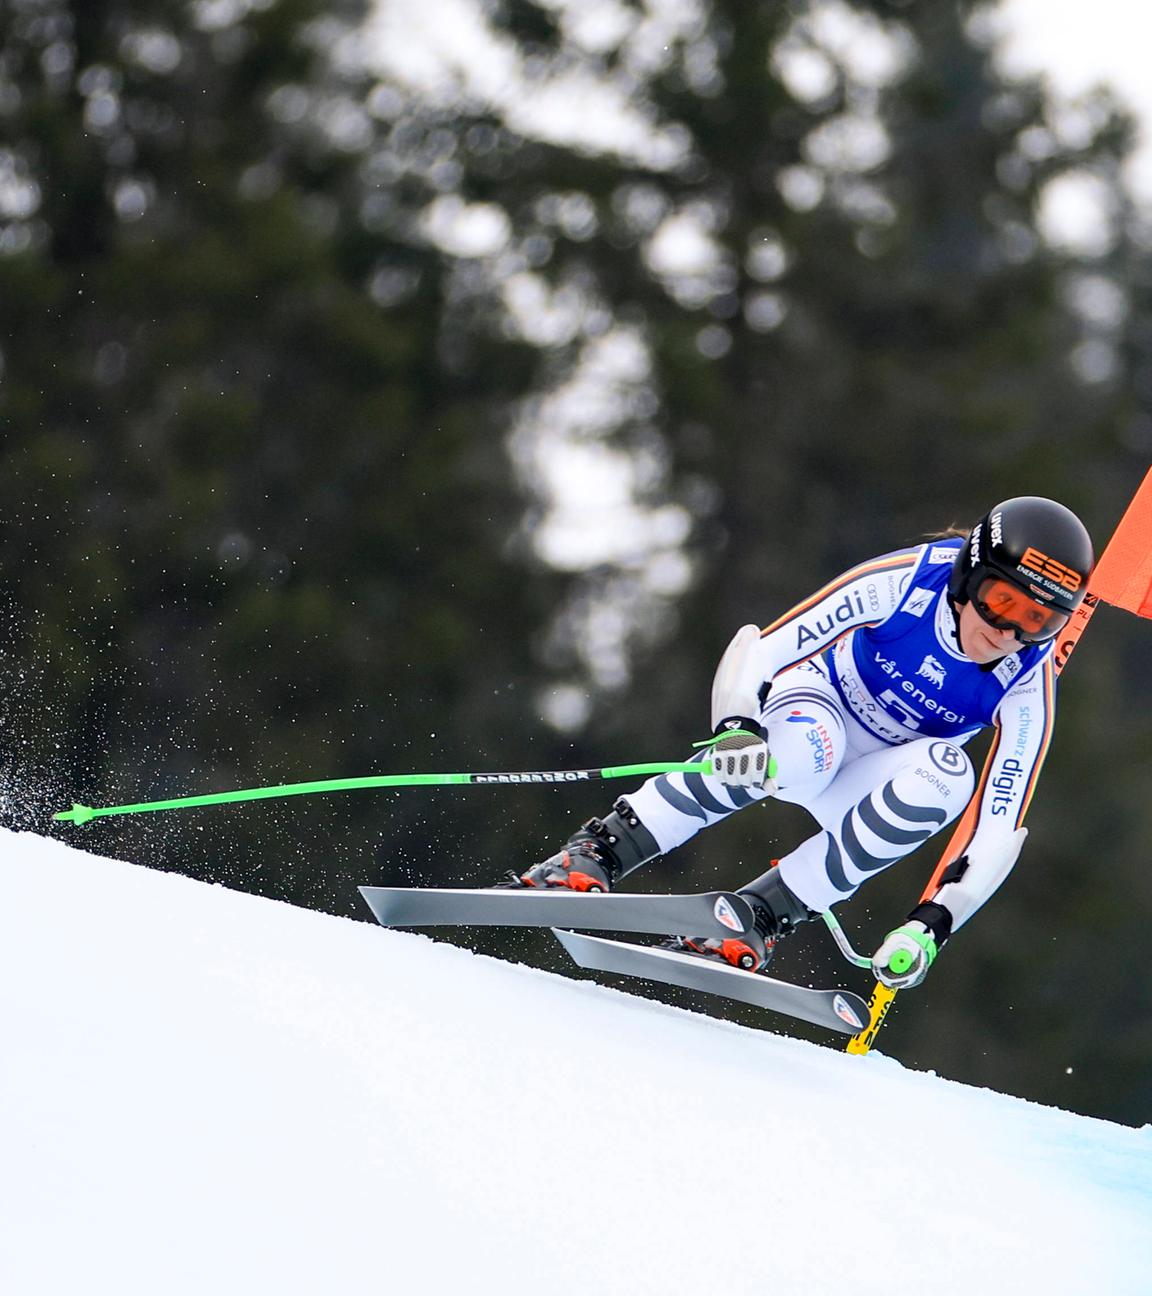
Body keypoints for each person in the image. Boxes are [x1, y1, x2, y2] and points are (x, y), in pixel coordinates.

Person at [506, 496, 1094, 992]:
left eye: (1038, 621)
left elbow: (1000, 826)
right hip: (821, 712)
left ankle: (759, 916)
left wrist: (932, 925)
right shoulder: (910, 579)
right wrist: (737, 726)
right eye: (1002, 601)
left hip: (884, 771)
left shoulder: (1026, 681)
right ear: (969, 575)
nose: (1008, 631)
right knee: (797, 756)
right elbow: (760, 649)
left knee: (949, 776)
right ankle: (602, 851)